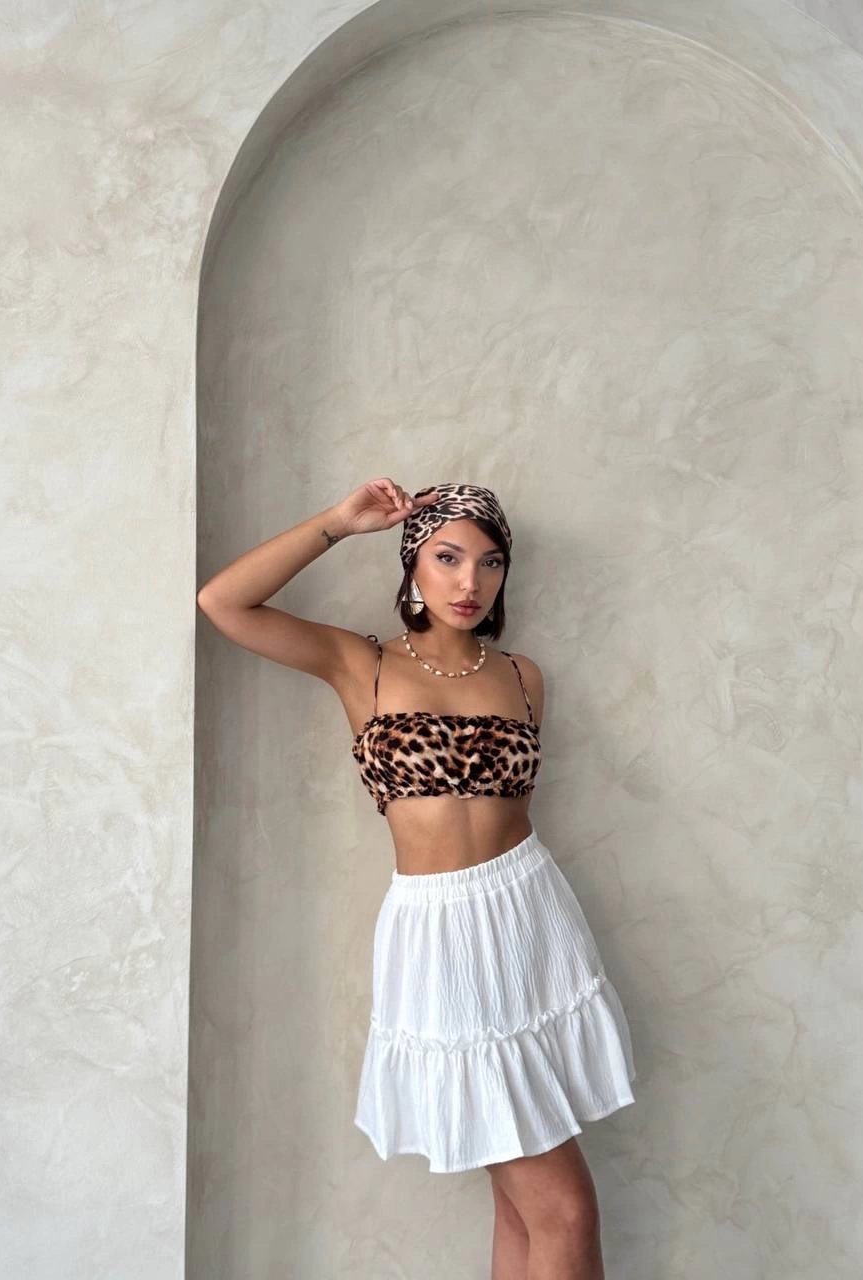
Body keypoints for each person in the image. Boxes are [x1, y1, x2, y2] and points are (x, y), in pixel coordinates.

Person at [197, 477, 637, 1280]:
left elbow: (509, 814)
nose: (470, 581)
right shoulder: (361, 665)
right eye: (447, 557)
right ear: (412, 566)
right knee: (562, 1208)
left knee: (527, 1207)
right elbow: (224, 603)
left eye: (490, 562)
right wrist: (337, 524)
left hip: (529, 916)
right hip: (438, 932)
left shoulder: (524, 676)